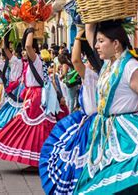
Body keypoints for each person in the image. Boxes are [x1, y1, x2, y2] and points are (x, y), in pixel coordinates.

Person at [73, 21, 138, 194]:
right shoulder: (109, 64)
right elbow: (91, 32)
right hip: (105, 133)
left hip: (127, 134)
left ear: (115, 43)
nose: (96, 46)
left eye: (101, 41)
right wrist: (88, 19)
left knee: (117, 184)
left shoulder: (131, 68)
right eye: (96, 41)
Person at [0, 23, 58, 168]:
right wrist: (6, 34)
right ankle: (33, 157)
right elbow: (7, 50)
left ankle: (37, 158)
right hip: (30, 94)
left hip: (36, 96)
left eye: (26, 51)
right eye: (23, 52)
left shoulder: (36, 59)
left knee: (34, 127)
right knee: (27, 126)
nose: (24, 52)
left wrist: (31, 29)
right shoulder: (26, 63)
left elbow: (27, 46)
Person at [39, 25, 98, 195]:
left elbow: (76, 60)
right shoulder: (100, 73)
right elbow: (77, 60)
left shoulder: (94, 75)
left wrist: (80, 34)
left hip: (94, 123)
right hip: (95, 122)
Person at [0, 41, 25, 133]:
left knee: (12, 106)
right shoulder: (26, 62)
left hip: (14, 86)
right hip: (22, 87)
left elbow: (5, 49)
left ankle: (10, 126)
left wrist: (4, 39)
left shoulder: (15, 61)